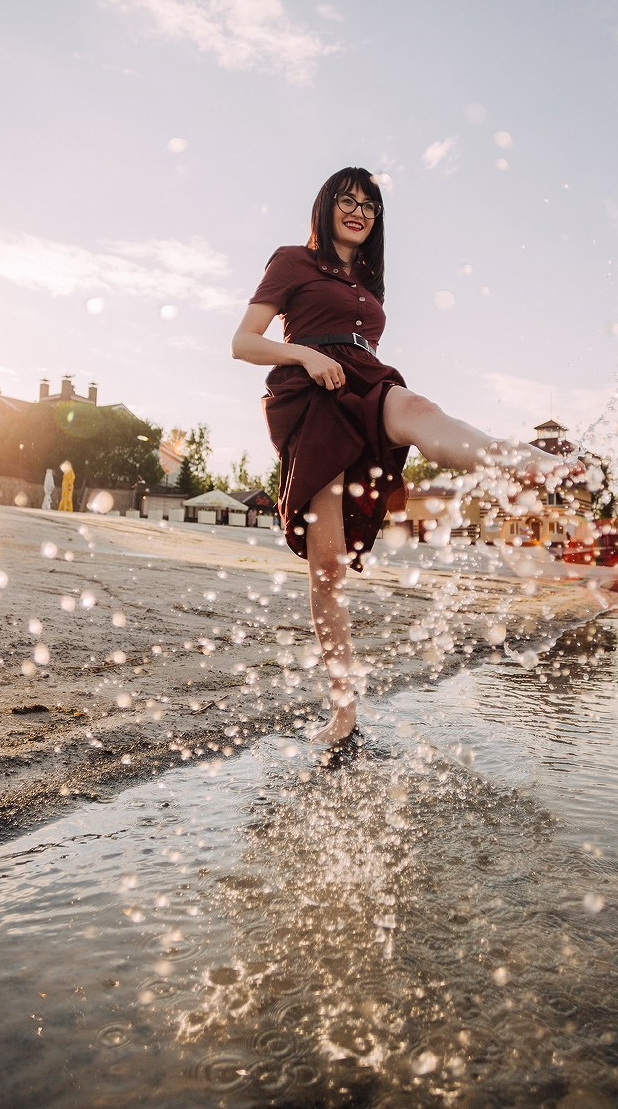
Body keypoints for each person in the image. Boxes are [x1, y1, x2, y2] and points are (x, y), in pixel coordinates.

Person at [232, 166, 578, 747]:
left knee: (420, 412)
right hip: (312, 397)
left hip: (364, 379)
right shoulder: (292, 260)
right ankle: (343, 712)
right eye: (348, 200)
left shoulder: (370, 284)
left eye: (369, 205)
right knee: (327, 570)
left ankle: (517, 459)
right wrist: (304, 357)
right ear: (326, 207)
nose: (359, 211)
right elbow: (243, 341)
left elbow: (360, 344)